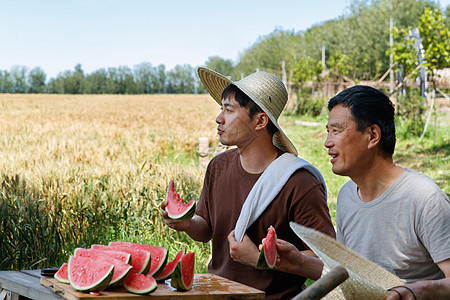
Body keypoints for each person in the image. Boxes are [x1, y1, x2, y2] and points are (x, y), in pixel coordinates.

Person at [161, 67, 336, 299]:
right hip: (217, 294)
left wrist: (263, 261)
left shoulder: (300, 183)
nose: (218, 118)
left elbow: (327, 264)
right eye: (220, 108)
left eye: (229, 110)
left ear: (260, 120)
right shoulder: (218, 166)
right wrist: (186, 223)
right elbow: (206, 229)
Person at [266, 85, 450, 300]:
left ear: (372, 135)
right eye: (328, 131)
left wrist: (416, 291)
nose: (327, 143)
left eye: (336, 130)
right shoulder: (346, 196)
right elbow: (348, 275)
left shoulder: (424, 198)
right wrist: (299, 262)